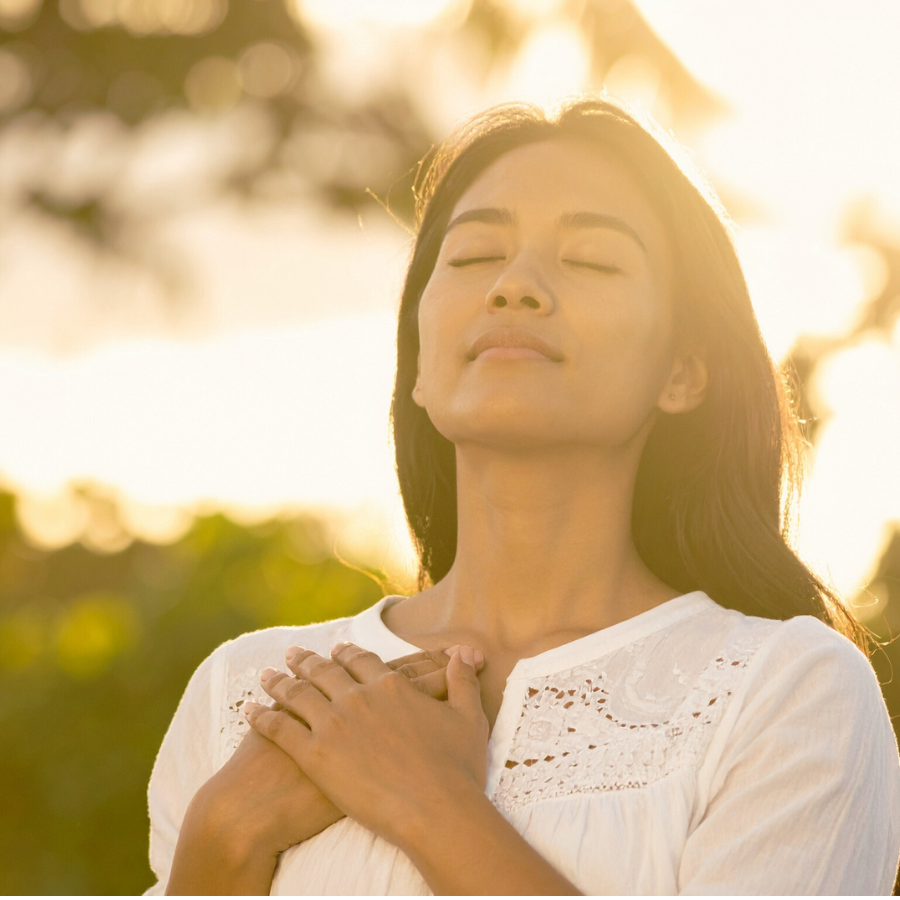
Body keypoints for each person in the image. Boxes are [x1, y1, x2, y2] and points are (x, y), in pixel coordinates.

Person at [145, 97, 900, 895]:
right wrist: (221, 843)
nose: (515, 286)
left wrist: (429, 802)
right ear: (420, 366)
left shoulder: (785, 690)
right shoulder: (249, 690)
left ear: (683, 372)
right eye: (473, 257)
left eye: (593, 260)